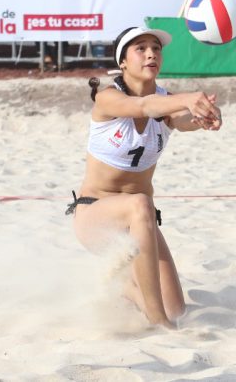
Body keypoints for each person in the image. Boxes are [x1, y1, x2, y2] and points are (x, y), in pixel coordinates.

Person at [67, 26, 222, 328]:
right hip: (96, 216)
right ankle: (156, 319)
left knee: (177, 307)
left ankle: (128, 290)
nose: (152, 53)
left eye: (156, 48)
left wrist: (208, 117)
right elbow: (142, 106)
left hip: (141, 222)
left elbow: (183, 119)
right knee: (139, 203)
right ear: (122, 61)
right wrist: (188, 98)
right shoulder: (107, 97)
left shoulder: (168, 102)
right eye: (141, 48)